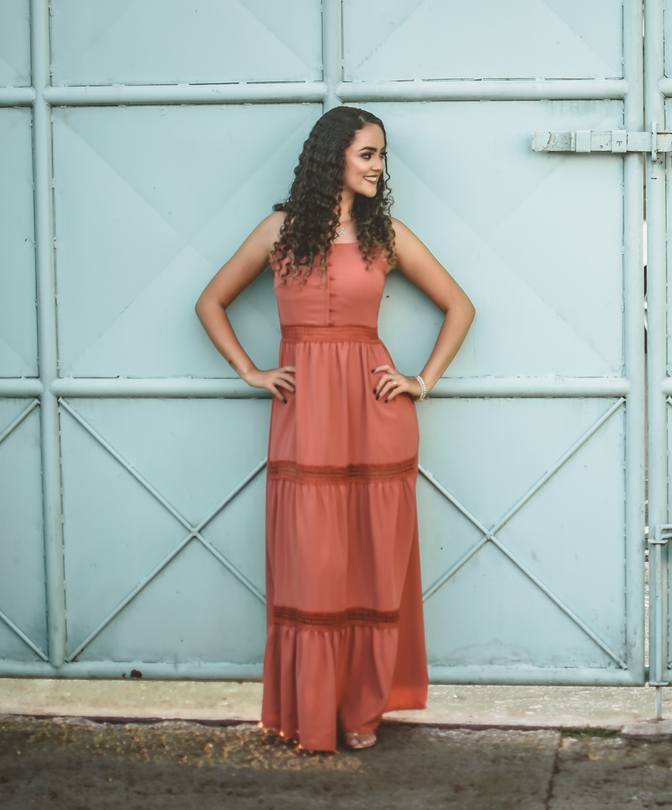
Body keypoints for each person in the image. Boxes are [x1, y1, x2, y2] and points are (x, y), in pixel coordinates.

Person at [195, 106, 474, 752]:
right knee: (314, 565)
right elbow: (210, 302)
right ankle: (312, 711)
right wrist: (250, 371)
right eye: (367, 154)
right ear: (333, 158)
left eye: (381, 155)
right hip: (305, 418)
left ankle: (361, 713)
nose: (379, 167)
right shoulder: (280, 231)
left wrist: (420, 381)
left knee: (373, 563)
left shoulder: (386, 235)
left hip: (375, 415)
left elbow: (460, 306)